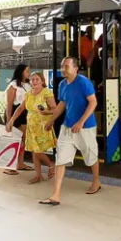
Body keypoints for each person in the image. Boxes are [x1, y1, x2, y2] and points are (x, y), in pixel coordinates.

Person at [40, 56, 100, 206]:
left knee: (91, 156)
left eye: (66, 66)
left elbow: (93, 102)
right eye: (62, 66)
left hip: (85, 127)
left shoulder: (83, 82)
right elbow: (62, 103)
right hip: (67, 127)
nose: (63, 69)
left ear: (75, 68)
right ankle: (56, 195)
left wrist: (81, 122)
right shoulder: (62, 84)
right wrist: (52, 120)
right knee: (60, 159)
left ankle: (96, 181)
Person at [7, 72, 56, 184]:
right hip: (31, 128)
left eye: (37, 79)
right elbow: (20, 108)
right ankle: (38, 176)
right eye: (32, 79)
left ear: (42, 81)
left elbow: (55, 109)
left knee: (37, 151)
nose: (34, 81)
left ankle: (50, 165)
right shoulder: (28, 94)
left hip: (42, 127)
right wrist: (11, 120)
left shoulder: (46, 93)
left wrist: (45, 111)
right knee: (34, 151)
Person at [3, 64, 34, 176]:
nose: (29, 73)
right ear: (21, 72)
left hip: (25, 113)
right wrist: (9, 120)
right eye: (27, 71)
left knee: (23, 139)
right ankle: (8, 166)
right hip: (16, 114)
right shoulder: (13, 85)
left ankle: (20, 163)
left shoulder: (28, 84)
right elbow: (9, 104)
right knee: (14, 140)